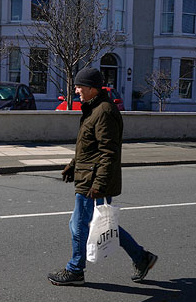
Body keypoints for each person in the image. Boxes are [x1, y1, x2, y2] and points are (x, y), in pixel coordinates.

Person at [48, 67, 157, 286]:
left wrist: (98, 184)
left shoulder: (104, 112)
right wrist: (73, 164)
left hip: (93, 181)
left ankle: (76, 269)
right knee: (102, 224)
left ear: (92, 88)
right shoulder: (94, 109)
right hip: (87, 175)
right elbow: (90, 148)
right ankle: (141, 257)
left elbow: (109, 152)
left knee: (79, 224)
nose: (76, 89)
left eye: (80, 86)